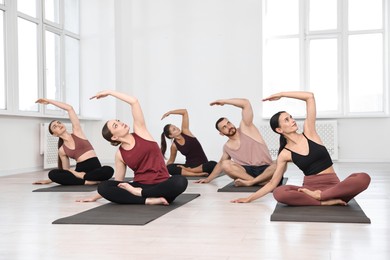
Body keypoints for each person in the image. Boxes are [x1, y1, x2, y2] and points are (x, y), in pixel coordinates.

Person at [231, 91, 371, 205]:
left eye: (291, 117)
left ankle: (322, 196)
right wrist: (249, 199)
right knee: (280, 192)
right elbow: (273, 183)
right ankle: (323, 202)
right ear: (279, 130)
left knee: (363, 178)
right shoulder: (285, 154)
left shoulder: (309, 132)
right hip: (310, 189)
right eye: (286, 120)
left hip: (334, 187)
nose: (292, 120)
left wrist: (282, 94)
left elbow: (309, 97)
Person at [77, 90, 188, 205]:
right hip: (140, 185)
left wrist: (110, 92)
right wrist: (95, 197)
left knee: (180, 181)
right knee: (103, 187)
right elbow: (118, 181)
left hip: (162, 185)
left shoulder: (140, 131)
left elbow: (134, 102)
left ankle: (142, 195)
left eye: (118, 121)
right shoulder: (120, 154)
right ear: (114, 137)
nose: (121, 123)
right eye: (116, 125)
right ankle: (148, 200)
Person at [196, 98, 276, 185]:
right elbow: (221, 164)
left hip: (265, 169)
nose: (229, 127)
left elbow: (246, 103)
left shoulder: (246, 128)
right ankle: (256, 182)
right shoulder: (227, 147)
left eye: (228, 123)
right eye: (224, 127)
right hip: (247, 172)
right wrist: (208, 179)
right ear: (221, 133)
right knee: (225, 164)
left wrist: (225, 101)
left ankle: (253, 182)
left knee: (278, 163)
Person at [33, 99, 114, 185]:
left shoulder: (77, 132)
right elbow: (66, 170)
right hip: (79, 172)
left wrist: (49, 101)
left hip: (95, 170)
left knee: (109, 170)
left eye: (59, 123)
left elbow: (69, 108)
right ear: (54, 134)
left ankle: (85, 178)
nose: (59, 125)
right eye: (55, 127)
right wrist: (51, 180)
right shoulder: (62, 150)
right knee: (52, 174)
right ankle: (87, 181)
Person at [161, 109, 217, 177]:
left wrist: (170, 112)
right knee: (169, 168)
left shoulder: (185, 131)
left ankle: (192, 172)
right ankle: (196, 174)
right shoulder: (174, 146)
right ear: (171, 135)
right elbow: (171, 161)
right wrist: (163, 168)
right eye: (174, 129)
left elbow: (184, 112)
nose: (177, 128)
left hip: (202, 166)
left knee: (213, 165)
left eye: (175, 127)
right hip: (189, 166)